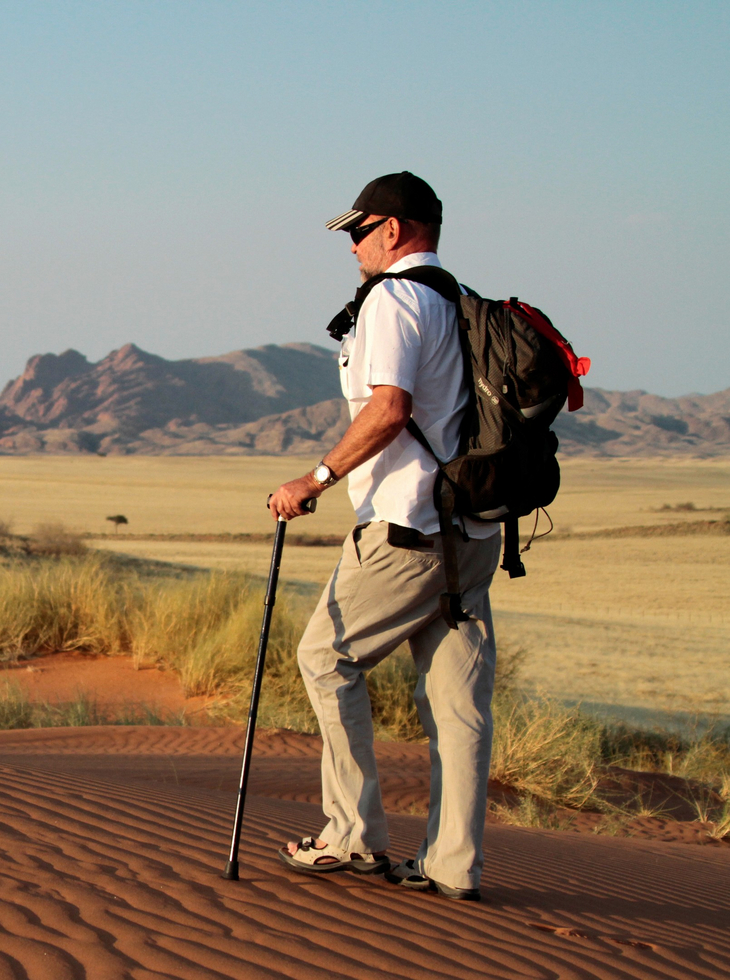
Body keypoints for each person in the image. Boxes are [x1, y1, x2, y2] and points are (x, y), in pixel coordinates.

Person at [268, 171, 501, 902]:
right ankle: (453, 865)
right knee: (458, 704)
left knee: (325, 657)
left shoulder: (397, 299)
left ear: (393, 229)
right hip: (473, 531)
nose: (354, 248)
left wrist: (314, 478)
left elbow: (390, 408)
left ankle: (352, 836)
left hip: (406, 530)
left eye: (360, 232)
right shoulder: (461, 303)